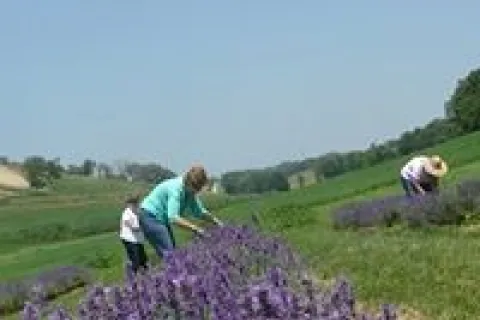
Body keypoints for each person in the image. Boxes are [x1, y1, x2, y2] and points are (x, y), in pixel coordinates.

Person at [138, 164, 223, 259]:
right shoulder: (176, 189)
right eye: (196, 188)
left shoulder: (189, 191)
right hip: (149, 216)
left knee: (172, 253)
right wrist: (196, 229)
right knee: (170, 254)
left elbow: (199, 212)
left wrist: (217, 222)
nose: (197, 192)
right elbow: (173, 217)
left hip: (161, 219)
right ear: (190, 183)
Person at [119, 194, 148, 274]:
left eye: (136, 203)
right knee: (135, 259)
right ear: (129, 204)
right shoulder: (126, 213)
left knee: (143, 259)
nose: (136, 204)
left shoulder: (136, 211)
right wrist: (140, 228)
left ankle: (146, 274)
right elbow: (130, 225)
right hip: (129, 239)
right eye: (134, 203)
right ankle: (133, 277)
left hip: (137, 239)